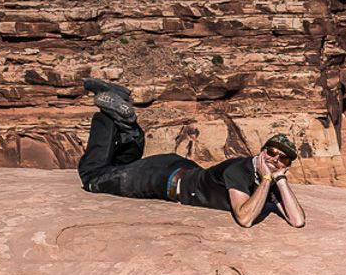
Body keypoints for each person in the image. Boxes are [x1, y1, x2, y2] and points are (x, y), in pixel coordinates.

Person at [75, 79, 306, 229]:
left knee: (119, 168)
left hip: (176, 168)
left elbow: (297, 221)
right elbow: (245, 219)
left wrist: (280, 179)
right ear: (262, 150)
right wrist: (268, 178)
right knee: (93, 176)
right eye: (271, 152)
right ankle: (107, 117)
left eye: (282, 158)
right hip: (161, 179)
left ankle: (126, 126)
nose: (274, 159)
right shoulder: (242, 169)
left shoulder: (269, 177)